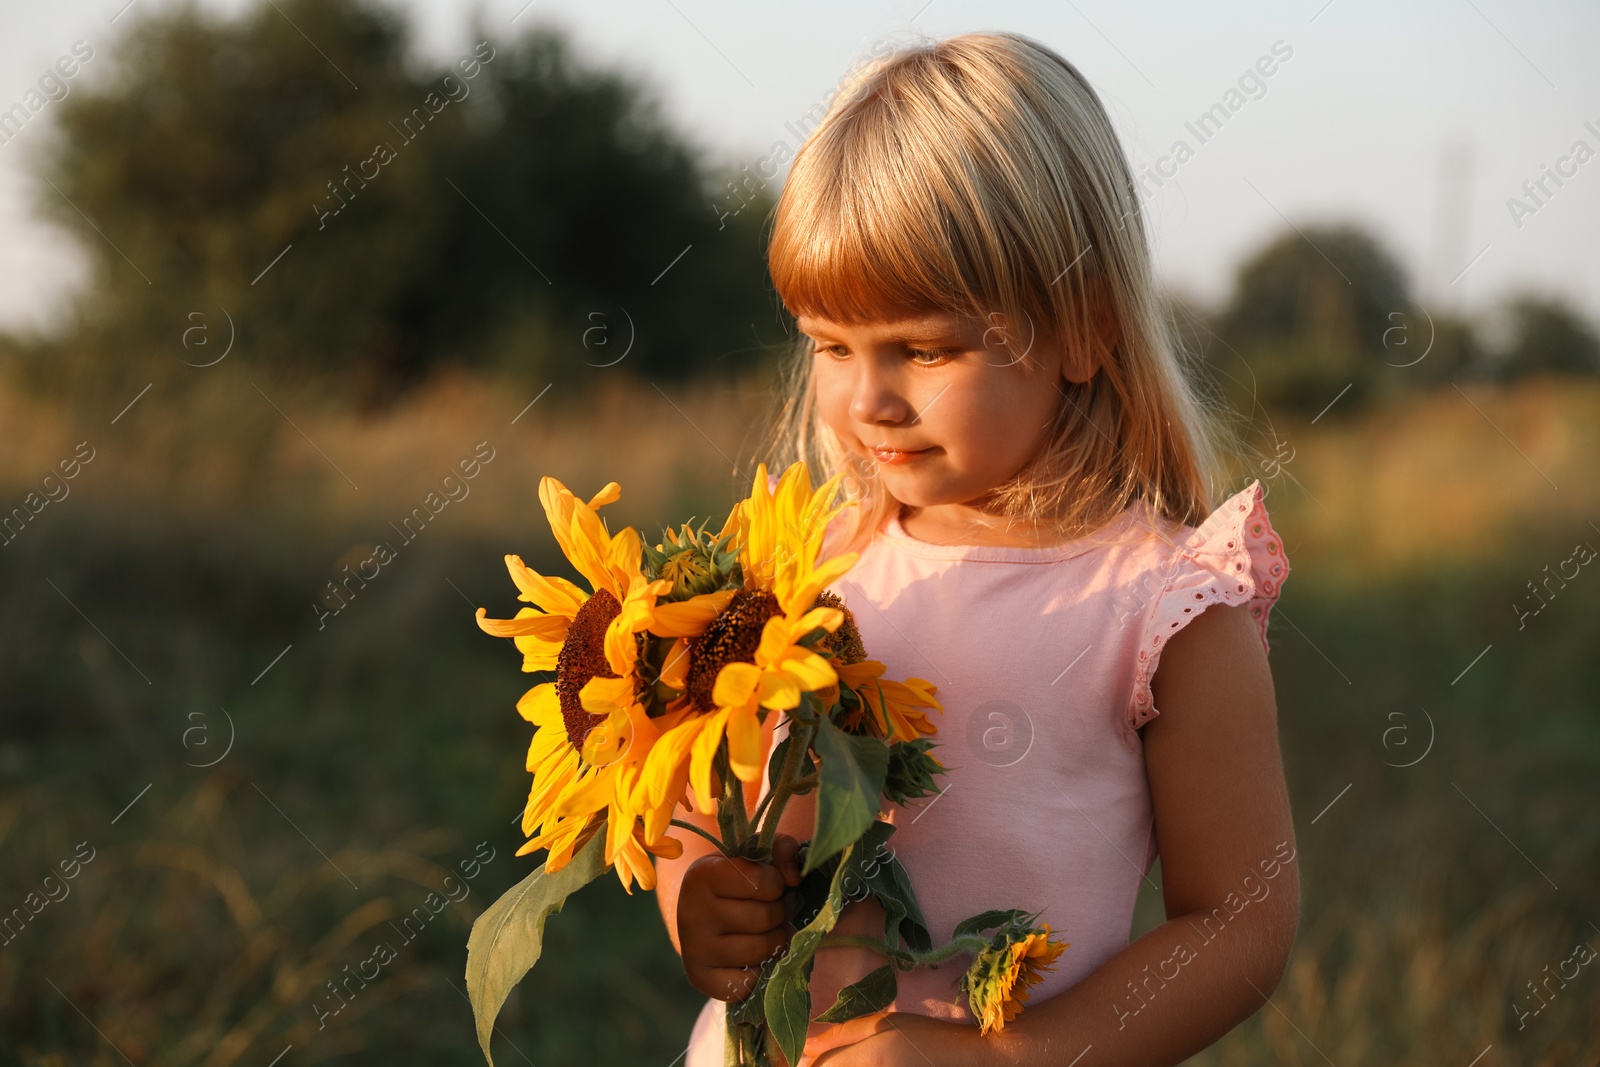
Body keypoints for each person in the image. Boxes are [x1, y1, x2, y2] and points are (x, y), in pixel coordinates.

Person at [653, 29, 1299, 1067]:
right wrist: (697, 895)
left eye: (923, 346)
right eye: (830, 344)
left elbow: (1239, 922)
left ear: (1083, 330)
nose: (868, 399)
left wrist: (1010, 1056)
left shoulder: (1163, 603)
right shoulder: (795, 572)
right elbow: (696, 802)